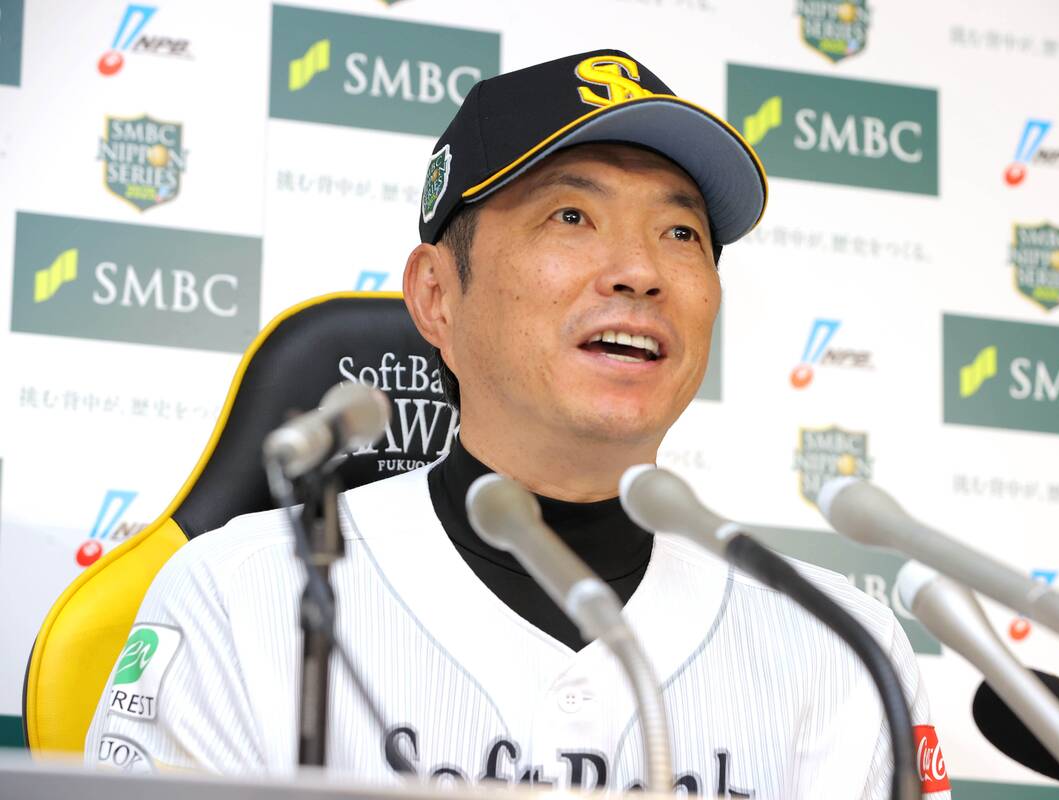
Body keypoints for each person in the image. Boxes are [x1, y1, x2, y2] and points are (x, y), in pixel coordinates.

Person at [85, 50, 951, 798]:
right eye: (571, 216)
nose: (640, 271)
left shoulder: (841, 649)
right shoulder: (243, 597)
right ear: (435, 294)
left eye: (681, 233)